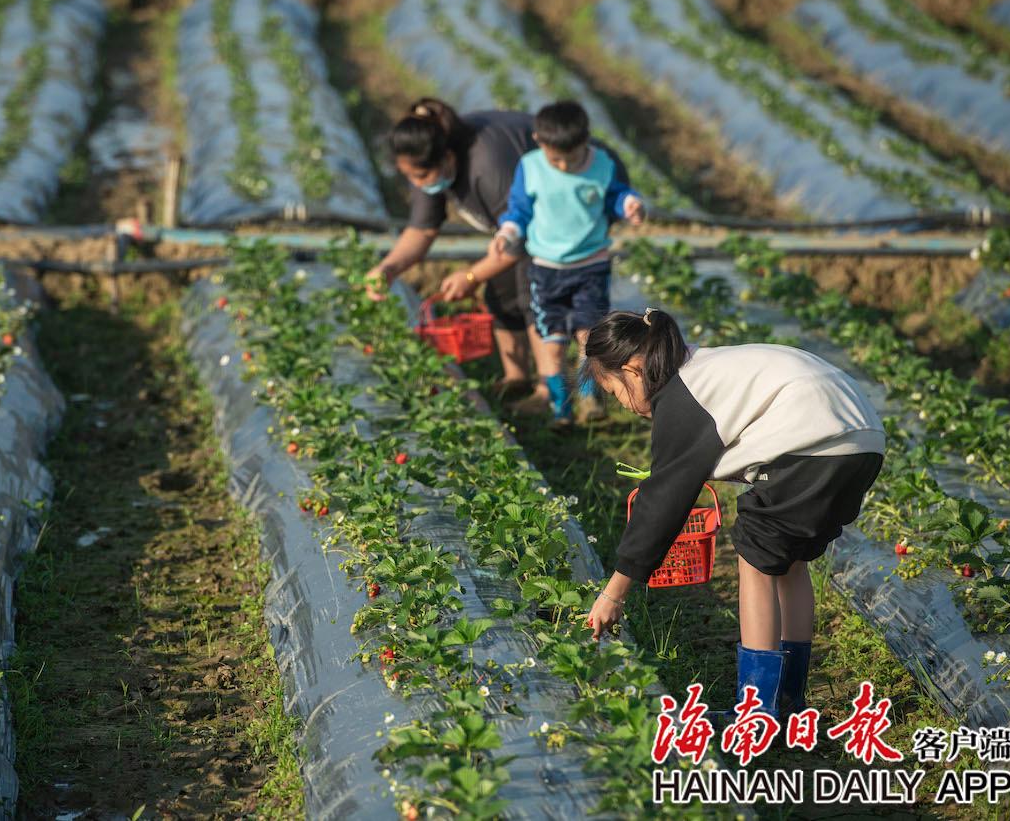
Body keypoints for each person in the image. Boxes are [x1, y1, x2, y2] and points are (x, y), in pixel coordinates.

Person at [581, 309, 885, 722]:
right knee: (788, 562)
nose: (626, 406)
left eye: (616, 393)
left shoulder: (682, 393)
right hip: (862, 441)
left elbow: (663, 502)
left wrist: (613, 593)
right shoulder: (701, 366)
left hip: (816, 440)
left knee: (755, 559)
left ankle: (758, 711)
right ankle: (789, 700)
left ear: (632, 370)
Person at [439, 100, 646, 426]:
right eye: (555, 158)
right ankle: (559, 408)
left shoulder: (601, 164)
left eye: (572, 157)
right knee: (550, 339)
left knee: (587, 334)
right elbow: (518, 210)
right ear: (538, 140)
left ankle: (589, 396)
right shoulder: (531, 167)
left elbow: (615, 195)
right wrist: (507, 232)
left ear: (585, 142)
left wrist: (629, 204)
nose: (563, 166)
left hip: (590, 266)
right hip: (546, 269)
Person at [364, 98, 542, 399]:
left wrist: (471, 276)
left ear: (447, 157)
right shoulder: (428, 165)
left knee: (533, 294)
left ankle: (550, 393)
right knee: (500, 290)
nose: (416, 184)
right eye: (410, 177)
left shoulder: (488, 166)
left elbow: (520, 240)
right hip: (511, 230)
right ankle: (517, 378)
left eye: (420, 177)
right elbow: (421, 229)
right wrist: (388, 268)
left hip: (564, 204)